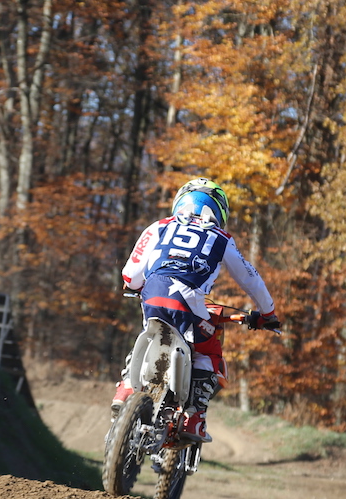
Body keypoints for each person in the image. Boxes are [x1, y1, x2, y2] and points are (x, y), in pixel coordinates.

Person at [115, 177, 279, 443]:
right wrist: (268, 313)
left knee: (149, 328)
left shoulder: (158, 226)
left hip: (152, 293)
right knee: (209, 345)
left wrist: (134, 285)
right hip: (187, 298)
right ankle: (194, 414)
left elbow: (130, 275)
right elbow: (250, 278)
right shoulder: (221, 237)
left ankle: (125, 387)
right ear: (218, 210)